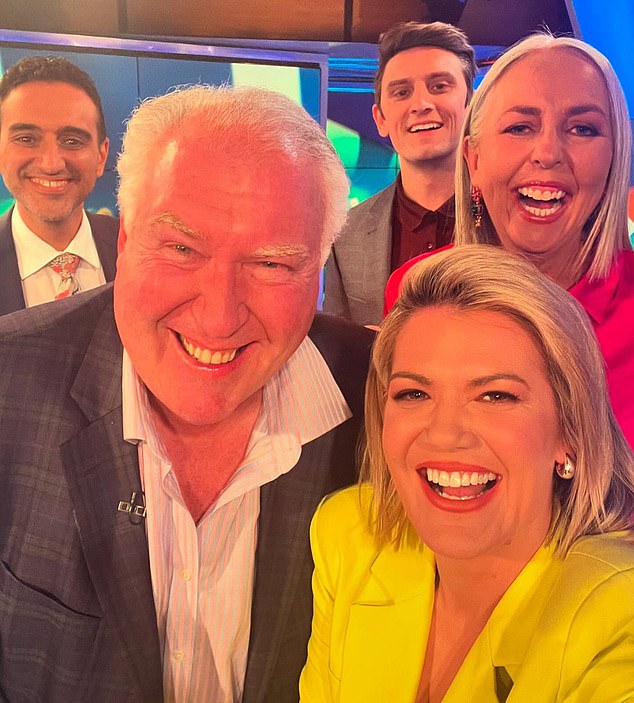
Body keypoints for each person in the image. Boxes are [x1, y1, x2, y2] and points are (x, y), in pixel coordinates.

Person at [0, 85, 374, 703]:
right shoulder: (9, 379)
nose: (220, 317)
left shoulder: (390, 404)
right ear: (123, 242)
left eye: (274, 264)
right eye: (180, 249)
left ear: (319, 272)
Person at [300, 245, 634, 703]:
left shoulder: (619, 617)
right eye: (414, 394)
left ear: (569, 431)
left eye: (496, 396)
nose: (444, 435)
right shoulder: (348, 536)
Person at [385, 33, 634, 447]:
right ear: (474, 160)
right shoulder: (416, 289)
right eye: (520, 127)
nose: (548, 152)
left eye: (582, 128)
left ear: (615, 161)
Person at [322, 21, 476, 326]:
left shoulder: (510, 220)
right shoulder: (345, 232)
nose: (420, 104)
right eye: (402, 92)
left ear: (470, 105)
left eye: (439, 86)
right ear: (380, 119)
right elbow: (340, 354)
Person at [0, 55, 118, 313]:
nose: (51, 164)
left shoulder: (138, 250)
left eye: (72, 140)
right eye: (26, 139)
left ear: (101, 155)